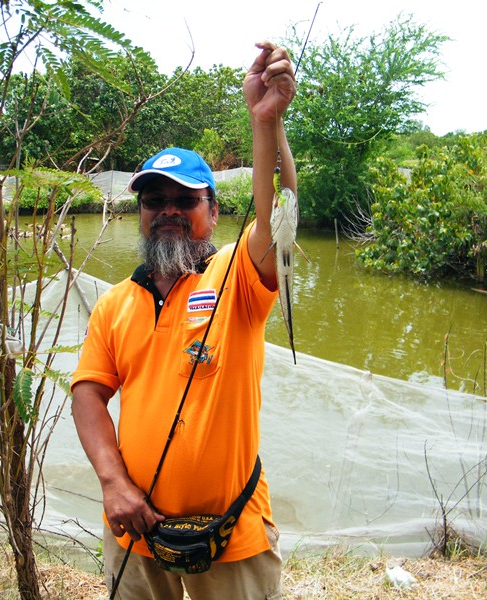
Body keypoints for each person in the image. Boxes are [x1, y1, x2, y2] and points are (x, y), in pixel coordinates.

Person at [71, 41, 297, 600]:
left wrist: (267, 122)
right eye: (154, 200)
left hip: (232, 540)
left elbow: (282, 212)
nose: (167, 209)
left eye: (186, 199)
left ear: (214, 211)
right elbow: (88, 394)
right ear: (140, 215)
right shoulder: (116, 303)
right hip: (136, 537)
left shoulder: (239, 276)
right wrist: (112, 483)